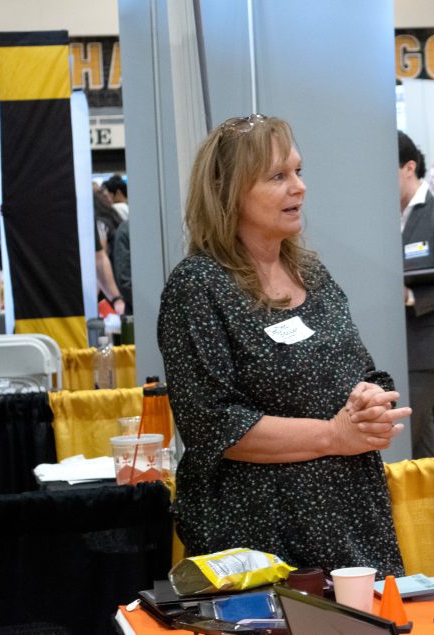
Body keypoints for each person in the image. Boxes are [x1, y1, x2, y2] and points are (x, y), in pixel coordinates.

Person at [157, 114, 411, 577]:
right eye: (278, 176)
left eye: (298, 171)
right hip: (259, 533)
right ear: (228, 191)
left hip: (353, 518)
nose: (299, 187)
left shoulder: (311, 272)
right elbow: (214, 425)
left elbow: (361, 370)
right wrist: (335, 435)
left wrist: (370, 401)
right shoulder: (198, 287)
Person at [398, 130, 434, 459]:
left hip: (429, 348)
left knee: (405, 437)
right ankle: (425, 512)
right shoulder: (381, 218)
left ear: (409, 167)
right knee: (419, 447)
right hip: (395, 345)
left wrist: (409, 297)